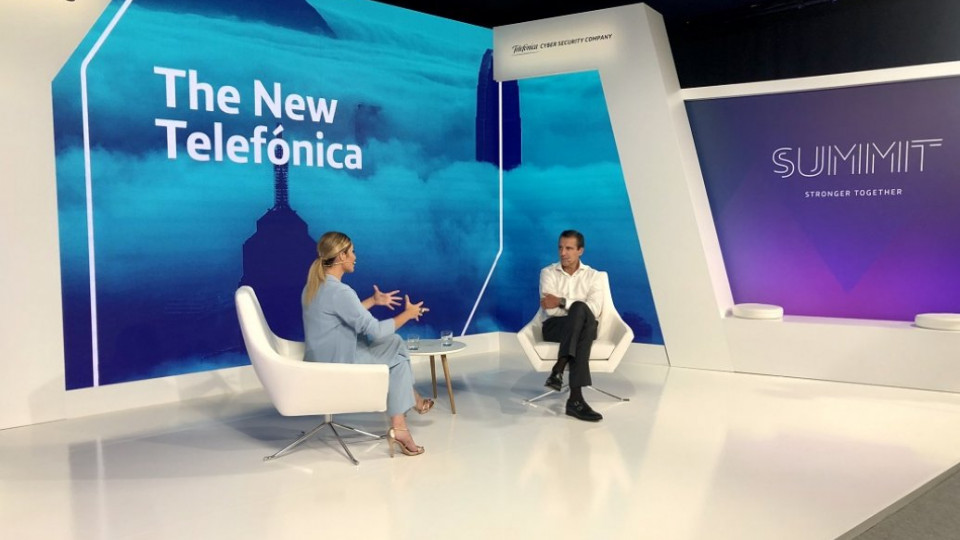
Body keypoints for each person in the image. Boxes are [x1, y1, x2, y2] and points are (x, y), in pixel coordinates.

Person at [302, 231, 432, 457]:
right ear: (341, 256)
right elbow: (375, 330)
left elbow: (343, 315)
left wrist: (373, 301)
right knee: (396, 349)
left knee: (395, 347)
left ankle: (410, 407)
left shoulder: (314, 286)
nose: (355, 257)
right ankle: (404, 419)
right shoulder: (340, 291)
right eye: (352, 252)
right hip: (338, 363)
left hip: (320, 359)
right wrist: (408, 314)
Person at [538, 230, 604, 422]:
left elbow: (595, 309)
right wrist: (575, 309)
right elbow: (551, 311)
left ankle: (560, 370)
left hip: (579, 328)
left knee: (582, 314)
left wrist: (561, 301)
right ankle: (575, 400)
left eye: (568, 248)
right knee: (582, 316)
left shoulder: (593, 276)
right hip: (554, 327)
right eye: (560, 248)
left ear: (580, 250)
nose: (563, 253)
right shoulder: (548, 273)